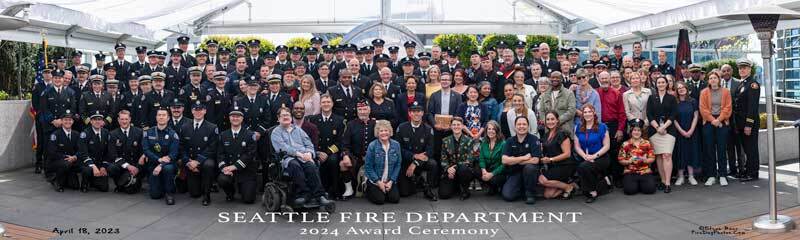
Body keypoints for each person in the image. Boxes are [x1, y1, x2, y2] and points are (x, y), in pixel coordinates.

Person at [271, 107, 333, 206]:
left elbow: (309, 144)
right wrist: (299, 154)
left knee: (311, 166)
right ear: (278, 118)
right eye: (283, 115)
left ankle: (319, 195)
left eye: (288, 115)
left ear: (291, 117)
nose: (286, 117)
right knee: (295, 165)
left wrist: (309, 154)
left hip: (304, 156)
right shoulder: (276, 132)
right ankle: (304, 194)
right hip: (287, 158)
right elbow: (283, 148)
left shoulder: (298, 130)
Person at [394, 101, 438, 200]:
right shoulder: (401, 128)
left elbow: (430, 151)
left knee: (433, 164)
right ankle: (418, 180)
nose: (416, 114)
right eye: (413, 112)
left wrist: (415, 162)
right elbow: (398, 148)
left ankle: (428, 189)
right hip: (406, 160)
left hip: (421, 161)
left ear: (422, 113)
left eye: (419, 111)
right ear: (409, 113)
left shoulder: (428, 129)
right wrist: (413, 156)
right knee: (404, 193)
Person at [308, 94, 349, 200]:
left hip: (332, 151)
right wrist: (317, 152)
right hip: (317, 150)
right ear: (320, 104)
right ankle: (318, 191)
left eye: (328, 102)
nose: (326, 104)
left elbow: (340, 141)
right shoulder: (313, 119)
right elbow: (310, 139)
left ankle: (334, 190)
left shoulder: (339, 120)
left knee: (333, 160)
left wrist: (327, 153)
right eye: (323, 102)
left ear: (332, 104)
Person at [178, 102, 218, 205]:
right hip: (190, 160)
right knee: (194, 194)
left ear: (205, 111)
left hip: (205, 159)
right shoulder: (184, 127)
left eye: (201, 110)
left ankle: (207, 195)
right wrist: (187, 161)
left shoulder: (212, 127)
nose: (198, 112)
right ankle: (201, 184)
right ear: (192, 111)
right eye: (196, 110)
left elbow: (212, 148)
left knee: (209, 165)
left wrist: (197, 161)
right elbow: (181, 146)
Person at [216, 107, 258, 203]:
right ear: (229, 118)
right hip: (229, 170)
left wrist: (234, 166)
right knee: (222, 179)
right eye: (233, 116)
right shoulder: (223, 135)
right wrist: (224, 168)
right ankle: (230, 192)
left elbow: (250, 155)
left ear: (242, 118)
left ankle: (242, 187)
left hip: (245, 170)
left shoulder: (250, 135)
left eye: (238, 116)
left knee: (248, 199)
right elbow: (220, 154)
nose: (235, 118)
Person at [700, 71, 733, 186]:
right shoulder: (704, 92)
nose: (713, 80)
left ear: (719, 79)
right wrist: (713, 120)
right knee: (709, 150)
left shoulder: (726, 92)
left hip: (722, 121)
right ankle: (711, 175)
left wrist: (719, 120)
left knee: (722, 149)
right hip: (708, 122)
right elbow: (703, 109)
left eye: (715, 78)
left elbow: (728, 108)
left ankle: (723, 175)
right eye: (710, 78)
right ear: (708, 81)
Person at [574, 104, 611, 203]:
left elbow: (607, 146)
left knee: (584, 167)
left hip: (601, 156)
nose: (587, 114)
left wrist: (594, 156)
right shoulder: (578, 127)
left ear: (594, 113)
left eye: (589, 111)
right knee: (583, 166)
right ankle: (602, 180)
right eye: (585, 112)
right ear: (582, 114)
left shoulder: (602, 127)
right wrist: (585, 156)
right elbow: (577, 146)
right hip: (585, 156)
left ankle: (592, 191)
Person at [647, 76, 678, 193]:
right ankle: (663, 180)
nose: (660, 84)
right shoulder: (651, 98)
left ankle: (668, 183)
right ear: (656, 84)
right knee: (659, 156)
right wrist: (657, 128)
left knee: (667, 155)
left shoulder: (672, 98)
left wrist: (664, 127)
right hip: (654, 131)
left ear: (667, 84)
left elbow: (674, 114)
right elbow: (649, 114)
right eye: (658, 82)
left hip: (669, 130)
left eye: (663, 82)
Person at [501, 116, 542, 204]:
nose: (521, 126)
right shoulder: (510, 141)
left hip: (529, 172)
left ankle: (530, 194)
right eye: (519, 124)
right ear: (515, 126)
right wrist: (524, 158)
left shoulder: (534, 139)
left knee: (529, 168)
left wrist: (513, 160)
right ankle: (522, 188)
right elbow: (504, 160)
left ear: (528, 126)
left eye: (524, 124)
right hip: (515, 173)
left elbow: (535, 160)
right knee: (508, 196)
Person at [596, 71, 627, 188]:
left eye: (606, 78)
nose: (604, 80)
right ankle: (606, 179)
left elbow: (622, 113)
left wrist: (620, 129)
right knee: (602, 153)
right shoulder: (595, 93)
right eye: (602, 78)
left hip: (614, 125)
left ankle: (617, 178)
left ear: (609, 79)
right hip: (599, 126)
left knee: (615, 152)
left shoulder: (616, 93)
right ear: (599, 79)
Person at [143, 108, 179, 205]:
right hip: (153, 164)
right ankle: (162, 184)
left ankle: (169, 193)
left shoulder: (173, 134)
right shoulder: (148, 132)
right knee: (155, 195)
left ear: (168, 118)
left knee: (168, 169)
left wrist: (161, 165)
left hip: (168, 164)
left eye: (164, 115)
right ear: (156, 117)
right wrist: (158, 159)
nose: (161, 117)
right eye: (159, 115)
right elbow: (146, 150)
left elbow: (173, 154)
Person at [732, 58, 760, 182]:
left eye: (744, 68)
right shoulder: (742, 84)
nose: (742, 70)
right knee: (747, 148)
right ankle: (748, 171)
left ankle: (753, 173)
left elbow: (752, 107)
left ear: (749, 69)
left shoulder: (753, 84)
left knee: (751, 149)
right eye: (740, 68)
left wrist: (749, 124)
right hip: (740, 123)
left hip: (748, 124)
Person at [539, 111, 578, 199]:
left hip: (565, 165)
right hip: (554, 166)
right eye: (548, 119)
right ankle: (570, 185)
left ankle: (568, 187)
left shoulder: (562, 133)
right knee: (548, 195)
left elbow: (567, 154)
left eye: (552, 119)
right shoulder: (545, 136)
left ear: (557, 120)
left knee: (542, 180)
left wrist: (550, 159)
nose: (550, 121)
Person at [341, 101, 376, 198]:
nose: (362, 112)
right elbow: (345, 144)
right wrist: (345, 155)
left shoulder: (375, 124)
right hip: (356, 157)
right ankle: (349, 189)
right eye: (360, 109)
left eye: (365, 109)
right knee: (343, 164)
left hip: (373, 158)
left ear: (369, 110)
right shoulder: (351, 124)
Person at [439, 117, 479, 200]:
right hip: (450, 171)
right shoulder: (445, 140)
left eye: (458, 125)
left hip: (463, 171)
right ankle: (456, 185)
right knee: (444, 194)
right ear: (451, 126)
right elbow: (443, 158)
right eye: (454, 125)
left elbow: (470, 160)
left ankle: (465, 190)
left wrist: (455, 168)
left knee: (464, 169)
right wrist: (448, 168)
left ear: (462, 126)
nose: (456, 126)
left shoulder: (469, 140)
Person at [364, 120, 402, 205]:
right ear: (377, 133)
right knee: (380, 200)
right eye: (381, 131)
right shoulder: (372, 146)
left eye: (386, 130)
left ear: (390, 132)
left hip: (389, 180)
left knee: (394, 199)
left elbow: (398, 164)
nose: (384, 133)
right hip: (375, 180)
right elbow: (368, 167)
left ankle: (385, 189)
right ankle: (367, 188)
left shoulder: (396, 145)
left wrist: (391, 181)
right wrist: (379, 182)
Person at [107, 110, 145, 194]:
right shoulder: (113, 134)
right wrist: (127, 166)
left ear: (130, 119)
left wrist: (137, 167)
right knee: (111, 168)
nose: (124, 121)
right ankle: (119, 184)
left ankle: (129, 182)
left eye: (126, 119)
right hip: (122, 165)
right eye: (122, 119)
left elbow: (143, 151)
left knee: (131, 191)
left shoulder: (139, 132)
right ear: (118, 120)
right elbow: (113, 155)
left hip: (135, 165)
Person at [617, 119, 657, 195]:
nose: (636, 132)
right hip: (630, 172)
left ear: (641, 132)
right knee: (629, 191)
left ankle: (640, 184)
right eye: (634, 130)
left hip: (645, 171)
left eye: (639, 130)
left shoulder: (647, 143)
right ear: (631, 131)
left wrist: (645, 160)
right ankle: (636, 184)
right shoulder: (625, 144)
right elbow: (620, 160)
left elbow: (652, 158)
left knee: (650, 190)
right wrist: (629, 161)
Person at [673, 81, 700, 186]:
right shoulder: (674, 102)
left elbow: (696, 116)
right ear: (676, 91)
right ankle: (681, 177)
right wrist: (682, 131)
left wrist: (691, 130)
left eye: (683, 87)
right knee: (680, 153)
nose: (681, 89)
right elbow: (673, 119)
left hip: (692, 131)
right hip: (679, 131)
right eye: (679, 88)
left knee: (691, 152)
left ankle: (691, 176)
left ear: (686, 88)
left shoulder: (693, 101)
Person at [47, 111, 82, 192]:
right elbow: (52, 152)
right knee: (66, 164)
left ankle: (66, 177)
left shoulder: (76, 134)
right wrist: (67, 158)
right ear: (61, 121)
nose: (68, 122)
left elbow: (81, 149)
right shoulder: (55, 135)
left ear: (73, 122)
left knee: (75, 186)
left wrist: (75, 157)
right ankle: (56, 180)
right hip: (56, 161)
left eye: (70, 120)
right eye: (65, 120)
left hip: (71, 161)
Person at [77, 111, 111, 193]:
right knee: (88, 170)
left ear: (102, 121)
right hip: (87, 163)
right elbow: (83, 153)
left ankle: (93, 182)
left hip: (100, 163)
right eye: (95, 120)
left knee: (104, 188)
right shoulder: (85, 133)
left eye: (99, 119)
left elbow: (108, 152)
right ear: (91, 121)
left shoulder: (106, 133)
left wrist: (104, 166)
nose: (97, 121)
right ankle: (85, 183)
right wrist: (93, 166)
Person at [478, 121, 506, 196]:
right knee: (476, 170)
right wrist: (483, 170)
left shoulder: (503, 144)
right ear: (486, 130)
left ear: (497, 131)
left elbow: (504, 165)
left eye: (493, 129)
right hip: (487, 169)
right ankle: (490, 186)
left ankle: (497, 186)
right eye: (489, 129)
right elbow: (481, 159)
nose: (491, 131)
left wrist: (491, 174)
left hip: (499, 171)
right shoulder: (484, 142)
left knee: (494, 180)